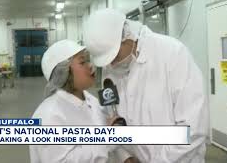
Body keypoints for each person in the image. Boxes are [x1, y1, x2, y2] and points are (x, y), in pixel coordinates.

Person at [84, 8, 210, 163]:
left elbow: (193, 129)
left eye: (114, 56)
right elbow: (111, 116)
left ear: (126, 35)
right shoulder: (109, 69)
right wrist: (125, 155)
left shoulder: (173, 54)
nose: (112, 63)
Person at [29, 39, 137, 163]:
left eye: (88, 60)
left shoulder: (91, 101)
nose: (90, 66)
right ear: (64, 72)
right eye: (82, 62)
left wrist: (125, 156)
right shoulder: (49, 116)